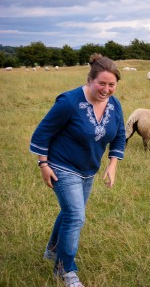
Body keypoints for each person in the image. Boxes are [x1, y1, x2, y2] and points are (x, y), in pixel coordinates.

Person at [30, 53, 126, 287]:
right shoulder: (69, 102)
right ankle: (66, 270)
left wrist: (112, 165)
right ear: (90, 80)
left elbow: (120, 136)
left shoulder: (114, 104)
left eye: (111, 84)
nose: (106, 89)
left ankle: (53, 251)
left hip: (88, 169)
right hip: (62, 166)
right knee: (75, 216)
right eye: (101, 83)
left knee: (68, 213)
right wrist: (43, 164)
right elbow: (42, 134)